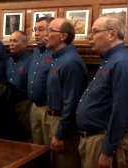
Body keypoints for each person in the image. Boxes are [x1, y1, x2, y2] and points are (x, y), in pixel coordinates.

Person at [76, 13, 128, 168]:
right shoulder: (109, 60)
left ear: (112, 34)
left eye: (94, 31)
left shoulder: (121, 63)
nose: (89, 37)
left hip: (102, 142)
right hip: (92, 140)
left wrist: (107, 151)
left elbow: (121, 111)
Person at [46, 18, 88, 168]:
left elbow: (71, 103)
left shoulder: (71, 62)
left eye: (50, 30)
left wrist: (60, 134)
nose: (46, 34)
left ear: (63, 36)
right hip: (53, 120)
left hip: (64, 124)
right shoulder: (58, 58)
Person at [28, 16, 54, 145]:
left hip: (48, 108)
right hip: (34, 107)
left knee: (49, 148)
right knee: (35, 148)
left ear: (51, 31)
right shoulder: (36, 51)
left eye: (41, 29)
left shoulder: (55, 51)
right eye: (35, 30)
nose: (36, 33)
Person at [6, 30, 31, 141]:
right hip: (9, 103)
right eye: (10, 41)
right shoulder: (10, 60)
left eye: (15, 41)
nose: (11, 44)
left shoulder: (30, 60)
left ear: (25, 44)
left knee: (24, 136)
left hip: (24, 104)